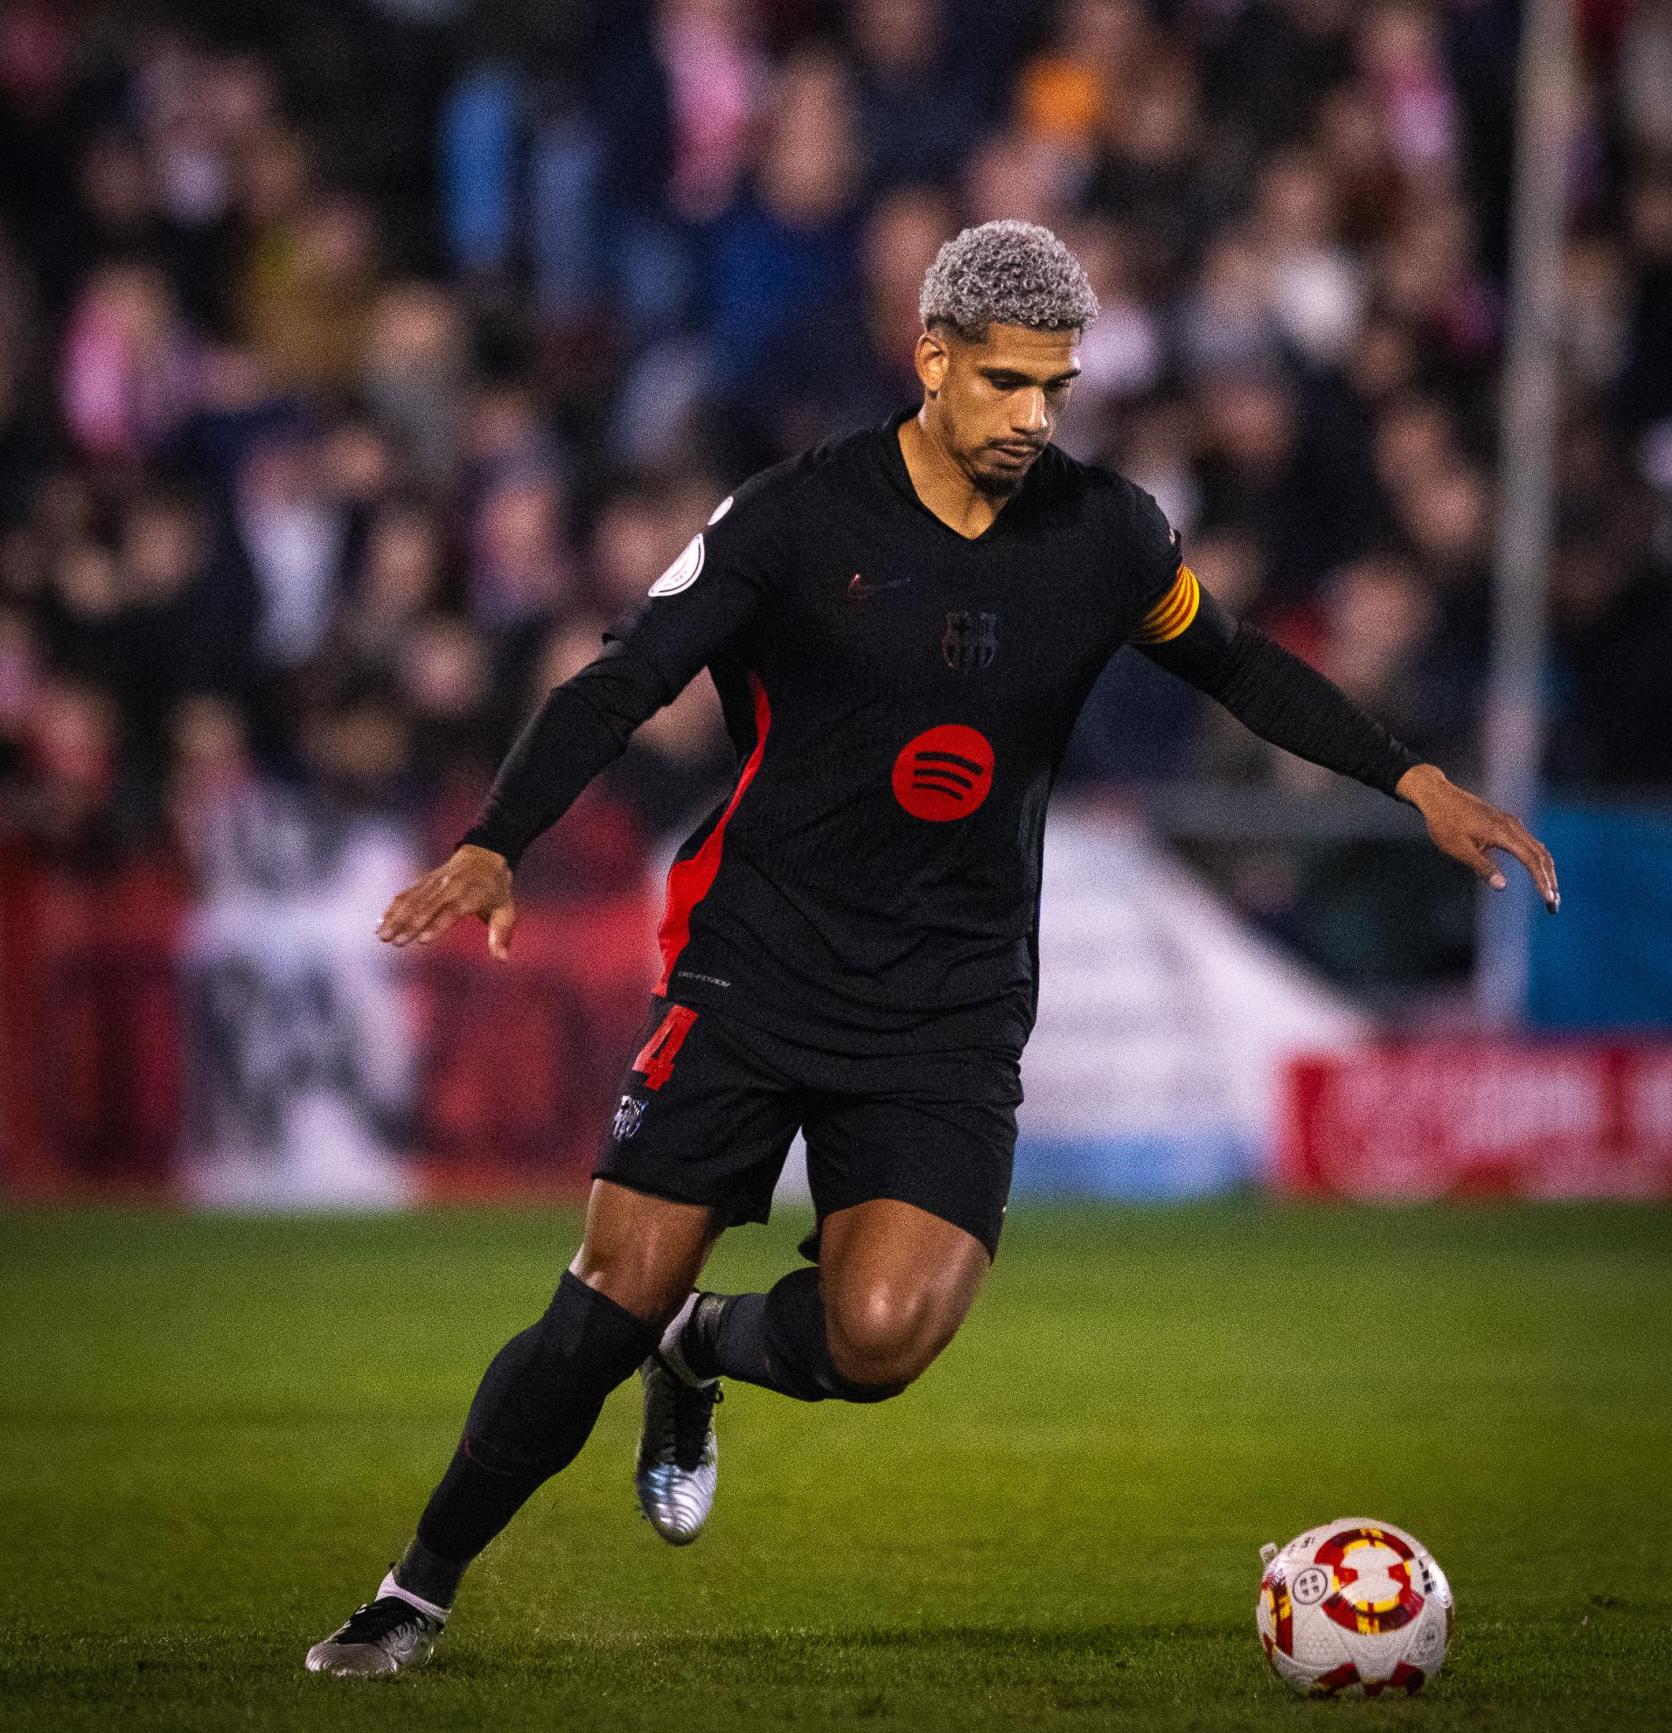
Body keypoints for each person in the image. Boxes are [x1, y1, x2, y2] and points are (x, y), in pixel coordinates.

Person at [306, 220, 1558, 1675]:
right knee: (598, 1305)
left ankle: (701, 1346)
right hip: (752, 962)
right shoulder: (792, 519)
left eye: (1059, 389)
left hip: (949, 1003)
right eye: (1010, 384)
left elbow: (1236, 665)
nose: (1035, 416)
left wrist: (1412, 781)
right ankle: (417, 1585)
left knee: (882, 1335)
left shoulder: (1106, 536)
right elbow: (625, 674)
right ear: (933, 361)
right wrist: (495, 837)